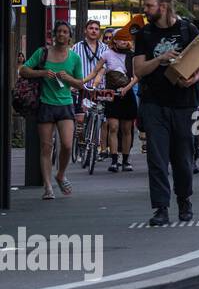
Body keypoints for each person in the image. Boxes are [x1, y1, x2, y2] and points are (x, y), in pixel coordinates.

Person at [132, 0, 199, 225]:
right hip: (154, 104)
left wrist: (193, 79)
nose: (144, 10)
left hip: (184, 105)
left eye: (148, 5)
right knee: (156, 158)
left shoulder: (187, 29)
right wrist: (160, 59)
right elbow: (138, 70)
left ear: (163, 7)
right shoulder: (144, 34)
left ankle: (184, 200)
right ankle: (161, 208)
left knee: (183, 159)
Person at [20, 21, 86, 199]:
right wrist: (41, 73)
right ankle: (48, 187)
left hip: (65, 104)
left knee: (66, 144)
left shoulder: (74, 58)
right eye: (59, 31)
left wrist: (68, 79)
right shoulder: (43, 53)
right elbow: (23, 70)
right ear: (54, 34)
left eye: (65, 32)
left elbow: (80, 83)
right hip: (45, 104)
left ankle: (61, 174)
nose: (62, 35)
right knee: (46, 146)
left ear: (70, 36)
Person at [102, 28, 139, 173]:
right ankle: (114, 159)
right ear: (114, 40)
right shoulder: (107, 54)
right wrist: (89, 83)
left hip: (127, 95)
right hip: (112, 95)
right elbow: (99, 71)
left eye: (126, 38)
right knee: (113, 127)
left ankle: (125, 159)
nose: (124, 41)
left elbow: (137, 76)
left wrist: (127, 88)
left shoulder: (132, 56)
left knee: (126, 129)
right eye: (121, 38)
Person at [71, 18, 109, 160]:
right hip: (82, 87)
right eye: (91, 28)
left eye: (96, 29)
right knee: (80, 120)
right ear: (85, 30)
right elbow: (72, 67)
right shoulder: (76, 47)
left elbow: (104, 69)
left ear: (99, 32)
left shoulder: (105, 48)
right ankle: (81, 144)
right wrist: (73, 83)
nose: (94, 31)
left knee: (100, 118)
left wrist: (95, 85)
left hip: (99, 89)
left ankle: (95, 146)